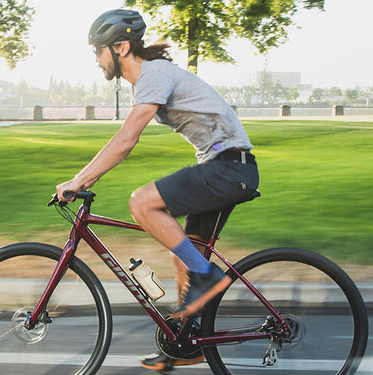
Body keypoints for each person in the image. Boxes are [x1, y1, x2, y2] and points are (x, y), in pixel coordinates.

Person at [54, 9, 260, 371]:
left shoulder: (153, 74)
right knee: (183, 254)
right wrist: (86, 179)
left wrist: (79, 180)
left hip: (228, 169)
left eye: (96, 51)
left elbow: (126, 140)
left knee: (142, 203)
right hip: (225, 168)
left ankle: (208, 278)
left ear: (119, 47)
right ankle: (186, 343)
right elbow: (123, 142)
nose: (95, 60)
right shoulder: (149, 79)